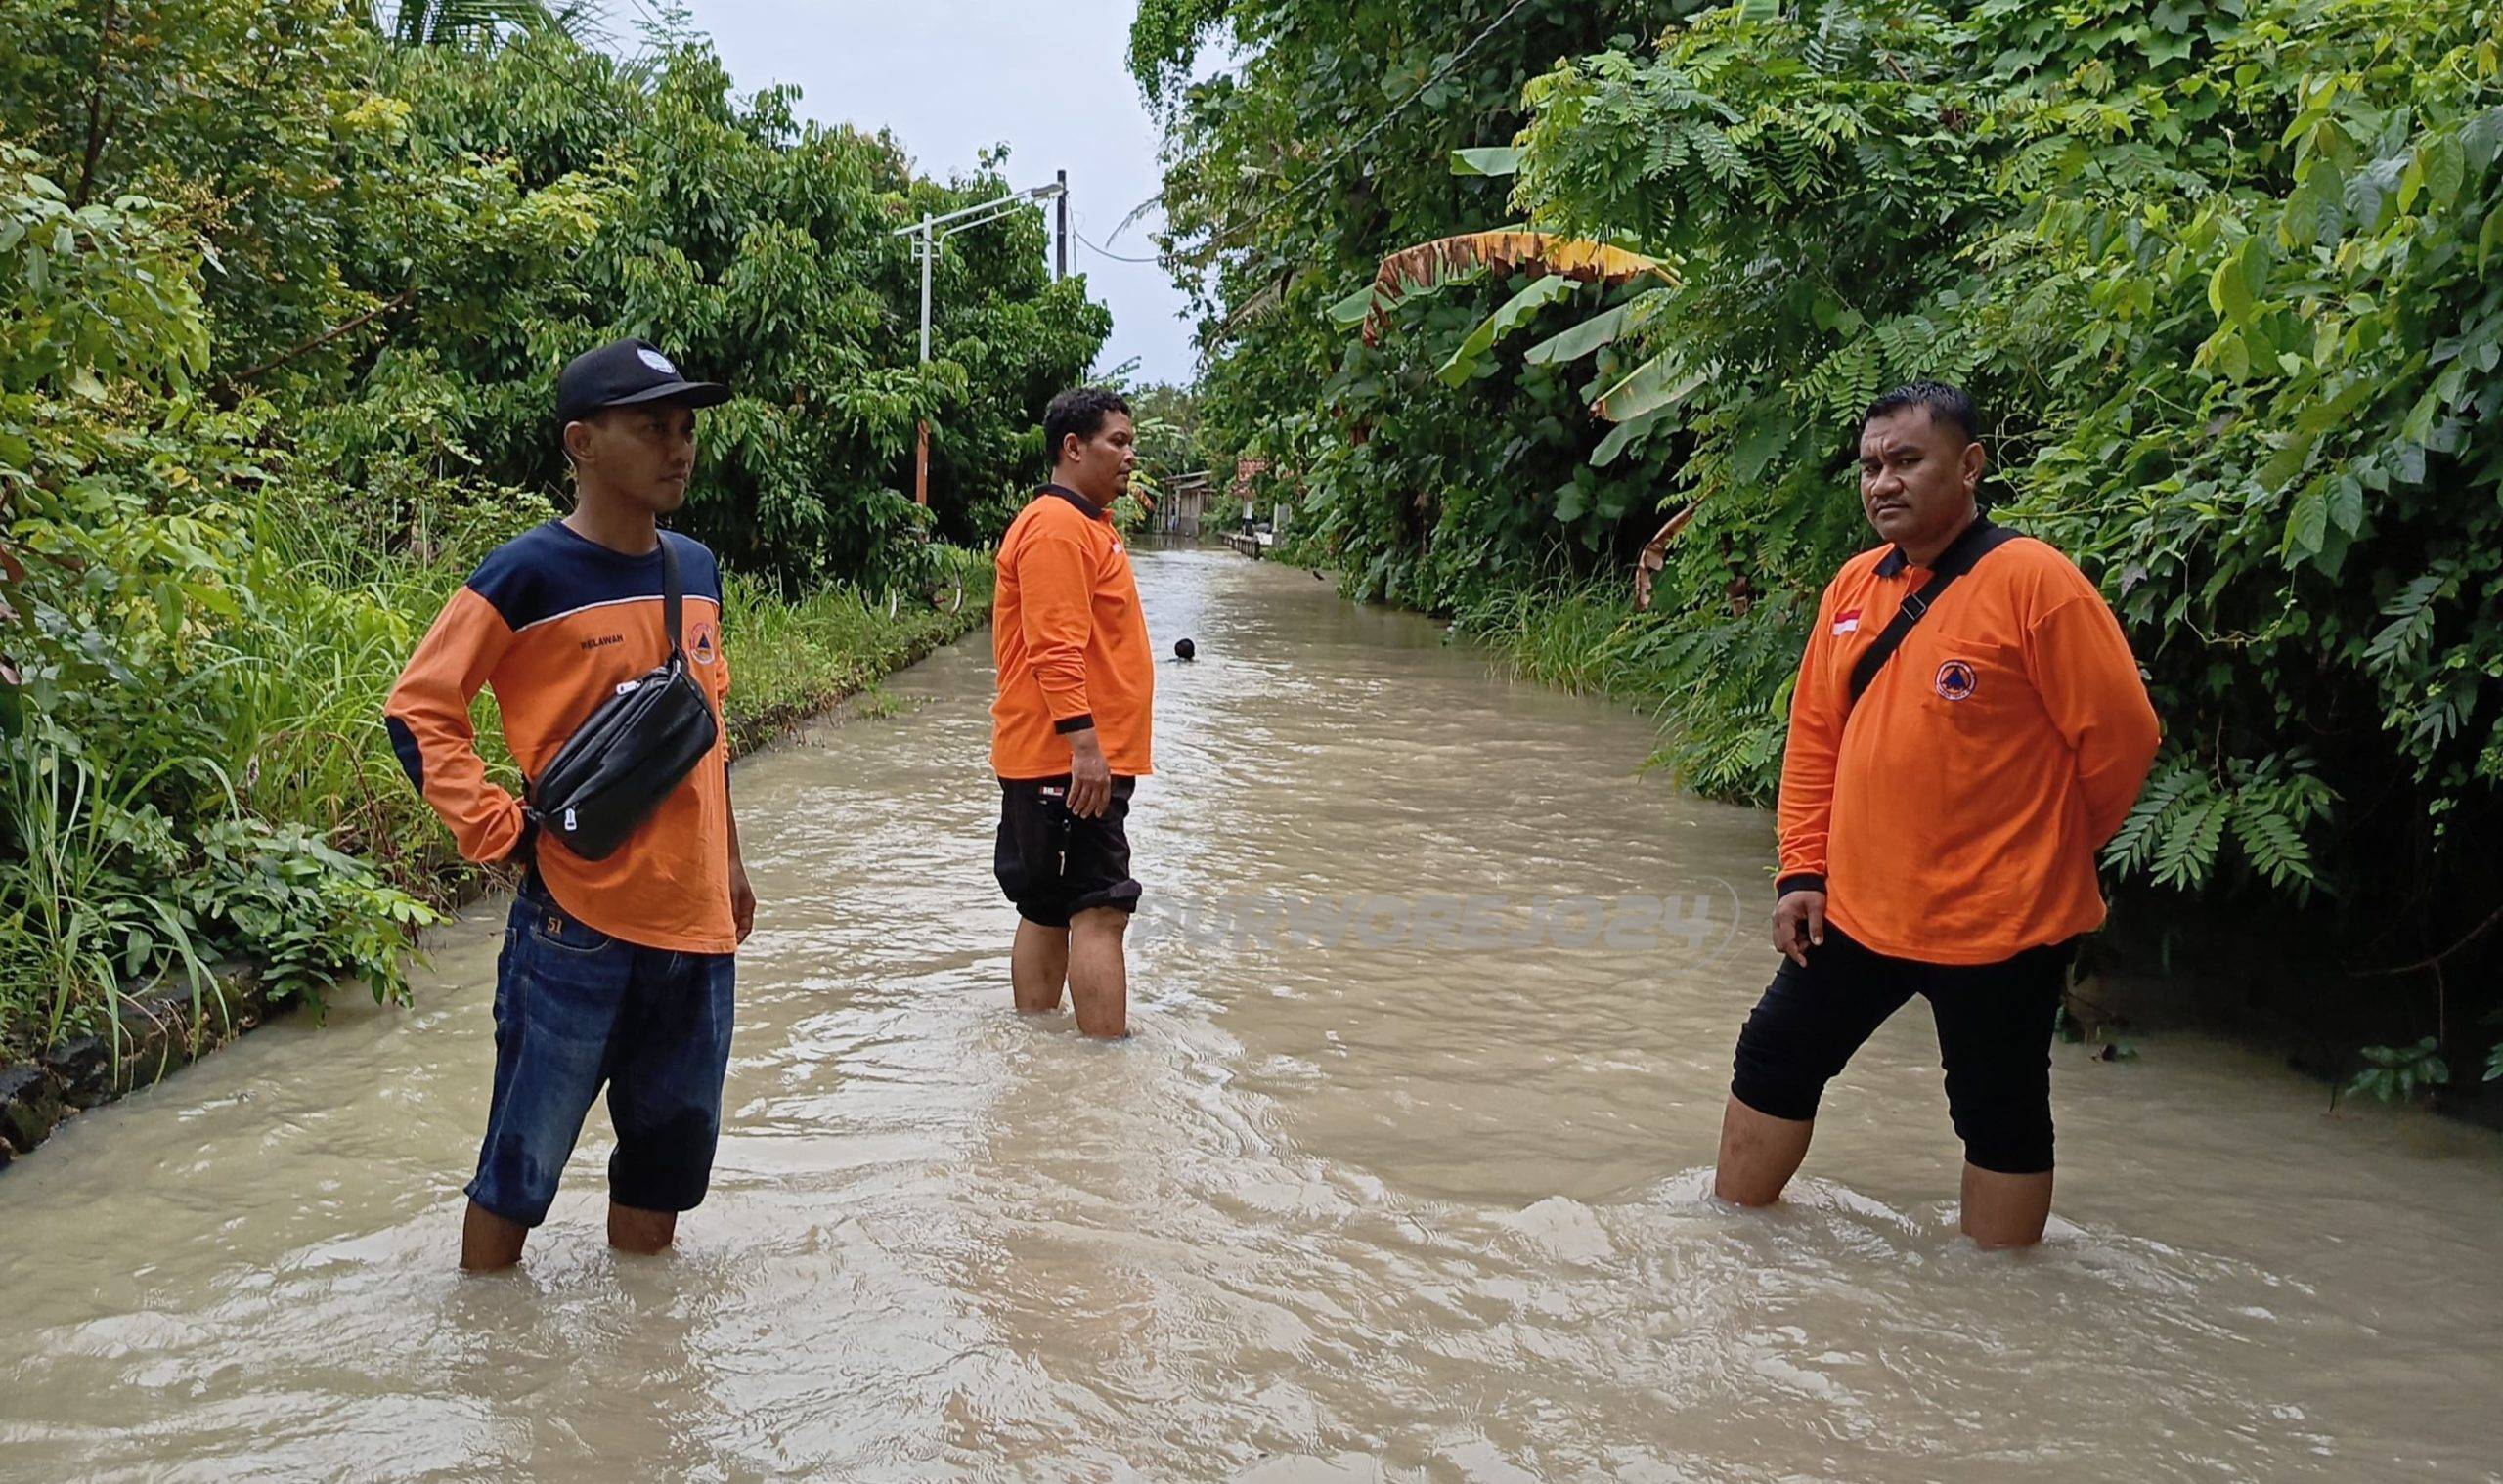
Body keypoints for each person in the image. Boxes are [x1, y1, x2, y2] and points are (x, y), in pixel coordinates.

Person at [1713, 381, 2161, 1247]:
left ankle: (1999, 1310)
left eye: (1907, 460)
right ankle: (1730, 1249)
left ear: (1969, 465)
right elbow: (1814, 742)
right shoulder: (1852, 589)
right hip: (1858, 909)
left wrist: (2051, 849)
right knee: (1773, 1058)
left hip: (2002, 921)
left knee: (2000, 1113)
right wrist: (1802, 872)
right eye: (1871, 465)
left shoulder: (2034, 582)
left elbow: (2123, 740)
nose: (1884, 481)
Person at [384, 338, 754, 1271]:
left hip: (697, 930)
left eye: (685, 428)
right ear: (582, 443)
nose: (678, 448)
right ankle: (492, 1363)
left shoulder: (697, 568)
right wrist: (497, 831)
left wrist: (734, 868)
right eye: (651, 428)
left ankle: (637, 1377)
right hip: (575, 923)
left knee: (663, 1176)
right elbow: (419, 709)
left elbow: (707, 731)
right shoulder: (527, 574)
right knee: (519, 1170)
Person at [989, 387, 1155, 1038]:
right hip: (1072, 759)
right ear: (1072, 447)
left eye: (1130, 442)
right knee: (1100, 911)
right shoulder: (1057, 527)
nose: (1130, 456)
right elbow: (1052, 645)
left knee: (1049, 905)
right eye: (1118, 441)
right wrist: (1085, 748)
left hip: (1060, 756)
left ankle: (1037, 1054)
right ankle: (1104, 1074)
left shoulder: (1084, 526)